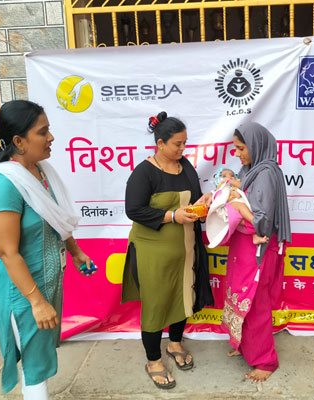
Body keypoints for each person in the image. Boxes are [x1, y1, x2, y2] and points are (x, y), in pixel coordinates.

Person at [0, 100, 96, 399]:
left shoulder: (40, 172)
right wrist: (36, 301)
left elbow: (55, 218)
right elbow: (6, 252)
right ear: (19, 141)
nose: (51, 138)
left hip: (44, 284)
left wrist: (75, 251)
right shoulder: (3, 185)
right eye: (42, 132)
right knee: (35, 365)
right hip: (21, 292)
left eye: (49, 130)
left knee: (40, 354)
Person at [122, 112, 214, 389]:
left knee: (183, 296)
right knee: (156, 304)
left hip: (186, 249)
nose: (182, 149)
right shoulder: (144, 172)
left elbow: (193, 201)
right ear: (160, 143)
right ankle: (153, 360)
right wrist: (172, 216)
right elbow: (134, 210)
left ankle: (175, 343)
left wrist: (203, 203)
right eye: (177, 144)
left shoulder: (185, 166)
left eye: (185, 143)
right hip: (153, 253)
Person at [217, 122, 291, 382]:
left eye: (241, 148)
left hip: (259, 250)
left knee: (256, 305)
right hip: (245, 248)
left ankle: (265, 361)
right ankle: (246, 346)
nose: (237, 154)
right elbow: (242, 193)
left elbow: (262, 221)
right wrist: (231, 186)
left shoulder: (266, 173)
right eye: (236, 148)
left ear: (256, 145)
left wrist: (237, 205)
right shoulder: (251, 170)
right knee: (242, 298)